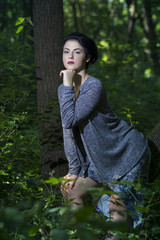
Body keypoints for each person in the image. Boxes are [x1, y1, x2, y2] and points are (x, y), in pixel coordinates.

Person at [57, 32, 150, 240]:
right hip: (99, 158)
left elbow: (70, 120)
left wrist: (67, 85)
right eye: (66, 51)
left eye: (77, 51)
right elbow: (68, 130)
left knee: (116, 205)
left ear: (87, 58)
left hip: (125, 150)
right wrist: (73, 170)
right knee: (71, 191)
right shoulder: (63, 89)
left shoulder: (94, 86)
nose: (70, 55)